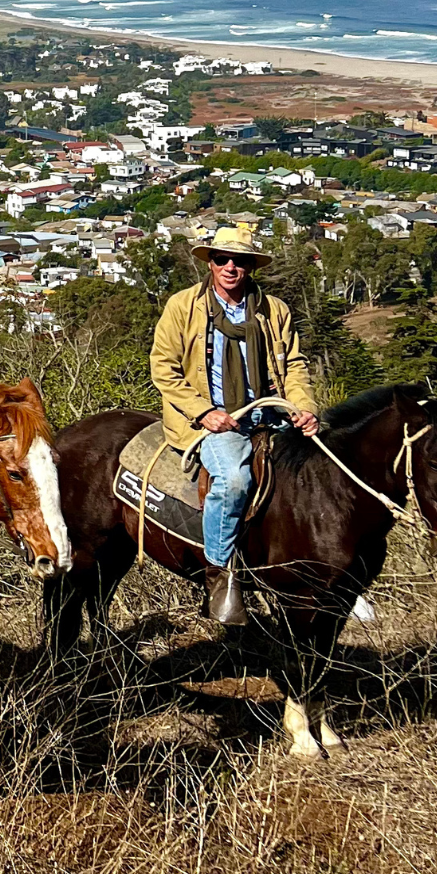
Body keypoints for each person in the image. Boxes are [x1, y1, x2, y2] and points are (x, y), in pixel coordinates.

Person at [149, 223, 318, 627]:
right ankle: (220, 573)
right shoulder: (183, 306)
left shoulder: (274, 310)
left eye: (239, 261)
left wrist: (305, 407)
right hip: (211, 420)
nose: (229, 267)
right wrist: (203, 412)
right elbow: (163, 367)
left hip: (270, 413)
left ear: (250, 267)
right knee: (234, 481)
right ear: (210, 263)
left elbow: (293, 365)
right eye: (221, 259)